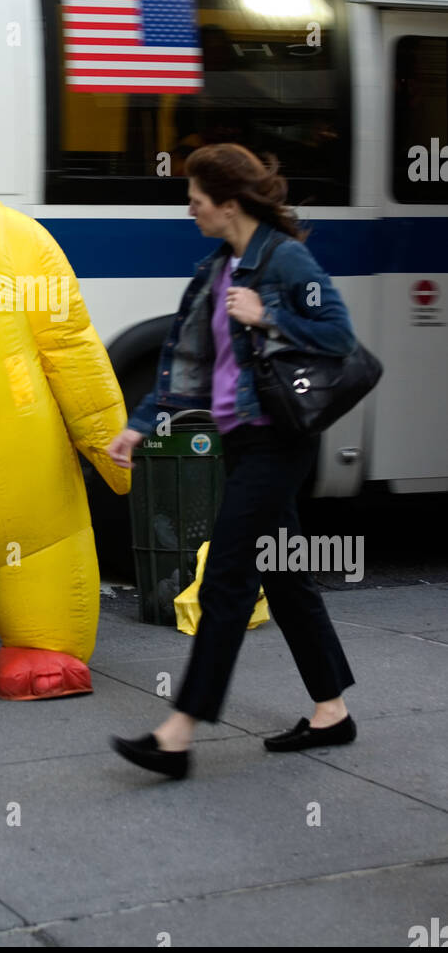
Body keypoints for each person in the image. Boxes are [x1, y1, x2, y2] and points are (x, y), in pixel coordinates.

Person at [106, 143, 357, 779]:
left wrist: (270, 317)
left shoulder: (284, 259)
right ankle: (332, 712)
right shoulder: (220, 268)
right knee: (285, 575)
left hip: (280, 441)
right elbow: (186, 359)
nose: (189, 208)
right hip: (242, 440)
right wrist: (138, 429)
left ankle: (177, 735)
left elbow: (337, 335)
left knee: (226, 579)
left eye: (196, 199)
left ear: (229, 203)